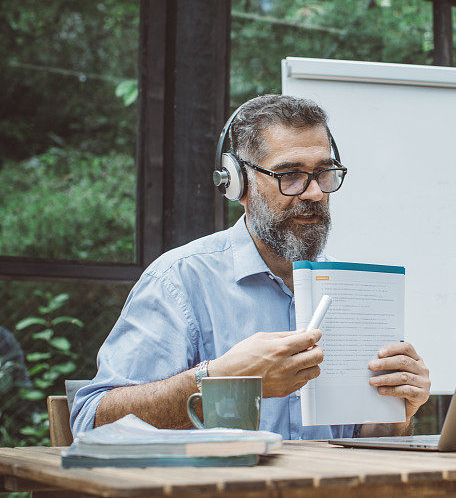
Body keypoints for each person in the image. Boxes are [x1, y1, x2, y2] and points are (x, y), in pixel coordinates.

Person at [70, 95, 431, 439]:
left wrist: (399, 410)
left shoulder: (350, 289)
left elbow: (362, 444)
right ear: (236, 183)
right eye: (289, 174)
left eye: (324, 173)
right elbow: (92, 421)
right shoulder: (180, 280)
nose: (315, 193)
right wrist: (221, 378)